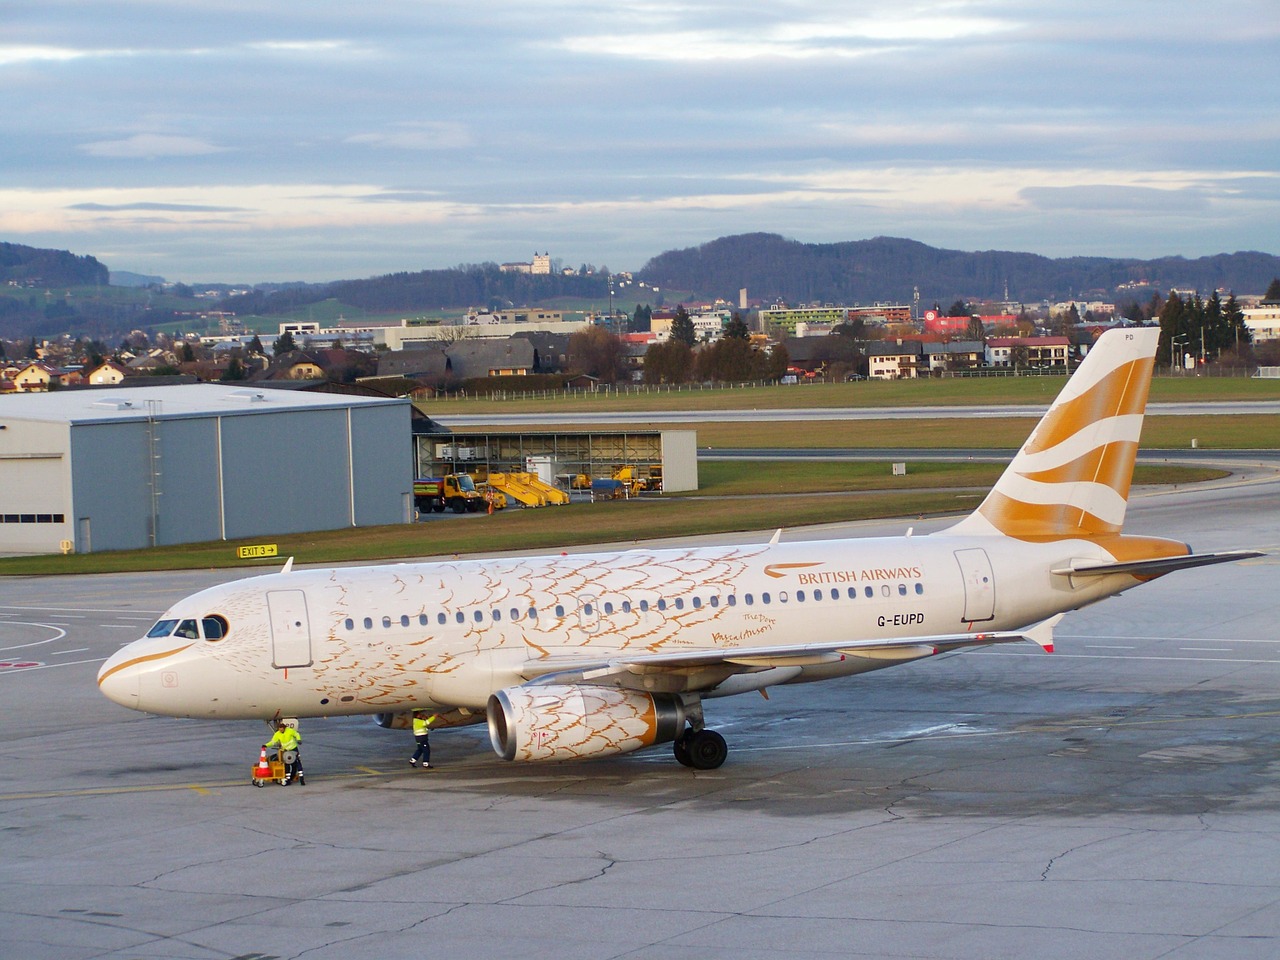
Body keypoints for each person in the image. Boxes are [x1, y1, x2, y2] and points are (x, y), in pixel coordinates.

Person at [263, 718, 304, 785]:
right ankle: (288, 779)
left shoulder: (289, 731)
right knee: (287, 764)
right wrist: (266, 745)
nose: (280, 730)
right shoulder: (277, 734)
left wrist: (299, 739)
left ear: (284, 728)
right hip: (286, 751)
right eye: (279, 729)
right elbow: (273, 742)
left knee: (296, 763)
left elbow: (296, 734)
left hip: (293, 749)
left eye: (282, 729)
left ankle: (301, 778)